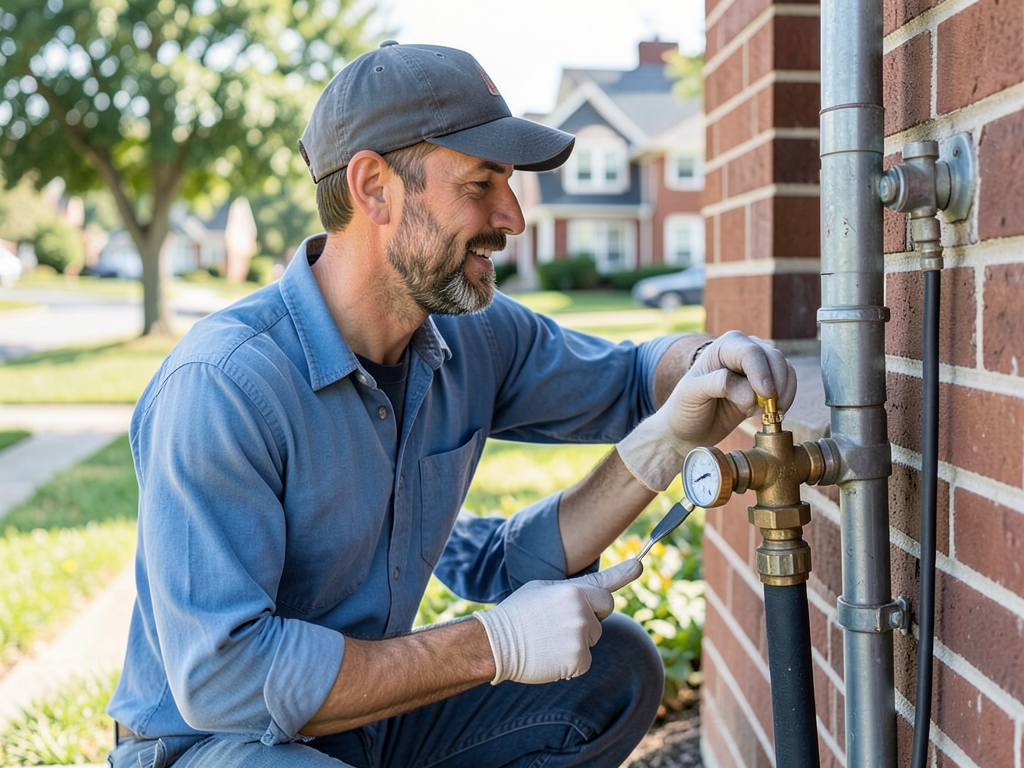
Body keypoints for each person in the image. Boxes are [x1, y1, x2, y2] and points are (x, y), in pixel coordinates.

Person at [107, 41, 797, 768]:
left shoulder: (470, 337)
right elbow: (224, 677)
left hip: (370, 722)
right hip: (217, 746)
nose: (514, 217)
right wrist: (492, 646)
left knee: (613, 668)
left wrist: (706, 363)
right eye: (481, 184)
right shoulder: (224, 386)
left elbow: (629, 377)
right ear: (375, 187)